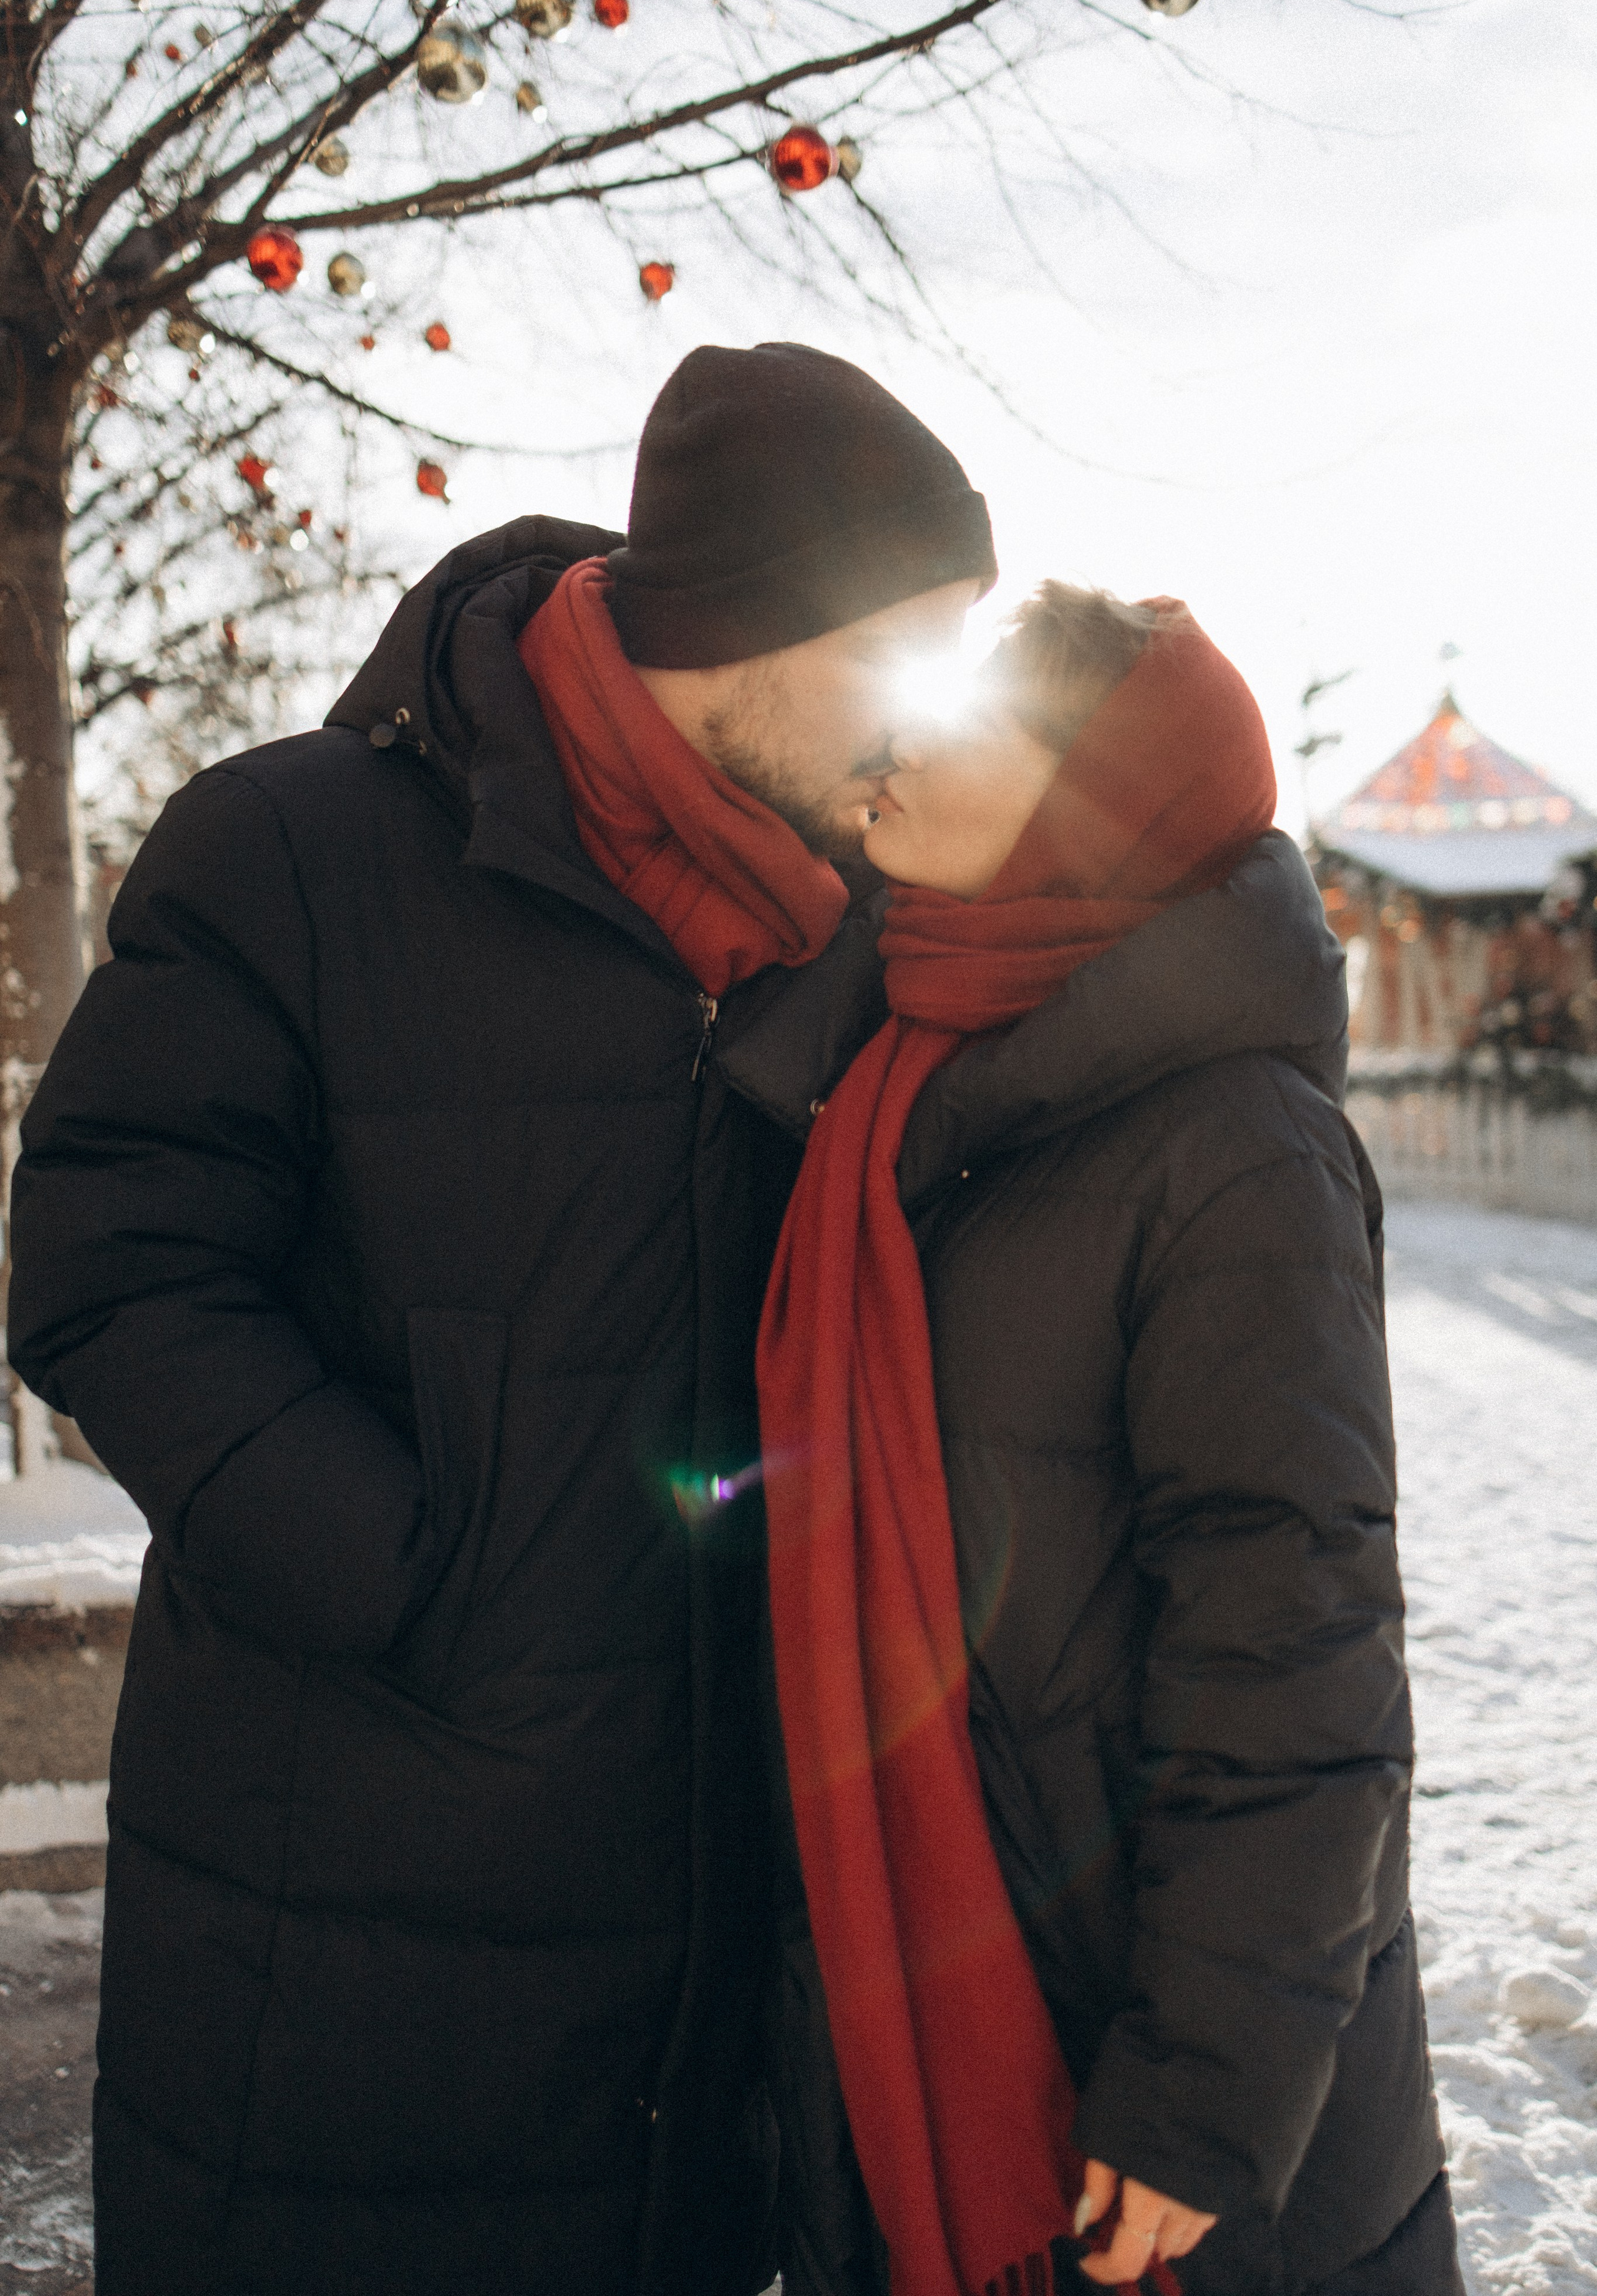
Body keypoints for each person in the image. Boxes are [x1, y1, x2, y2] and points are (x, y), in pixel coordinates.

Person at [5, 342, 994, 2296]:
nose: (930, 719)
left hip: (705, 1942)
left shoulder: (866, 923)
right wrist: (410, 1578)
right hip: (345, 1904)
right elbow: (110, 1256)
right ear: (757, 619)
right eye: (906, 646)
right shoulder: (293, 850)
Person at [749, 585, 1462, 2296]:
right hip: (935, 1994)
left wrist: (1204, 2089)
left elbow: (1297, 1647)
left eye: (969, 719)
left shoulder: (1235, 1146)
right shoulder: (910, 1083)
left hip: (1157, 2106)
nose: (901, 742)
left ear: (1098, 804)